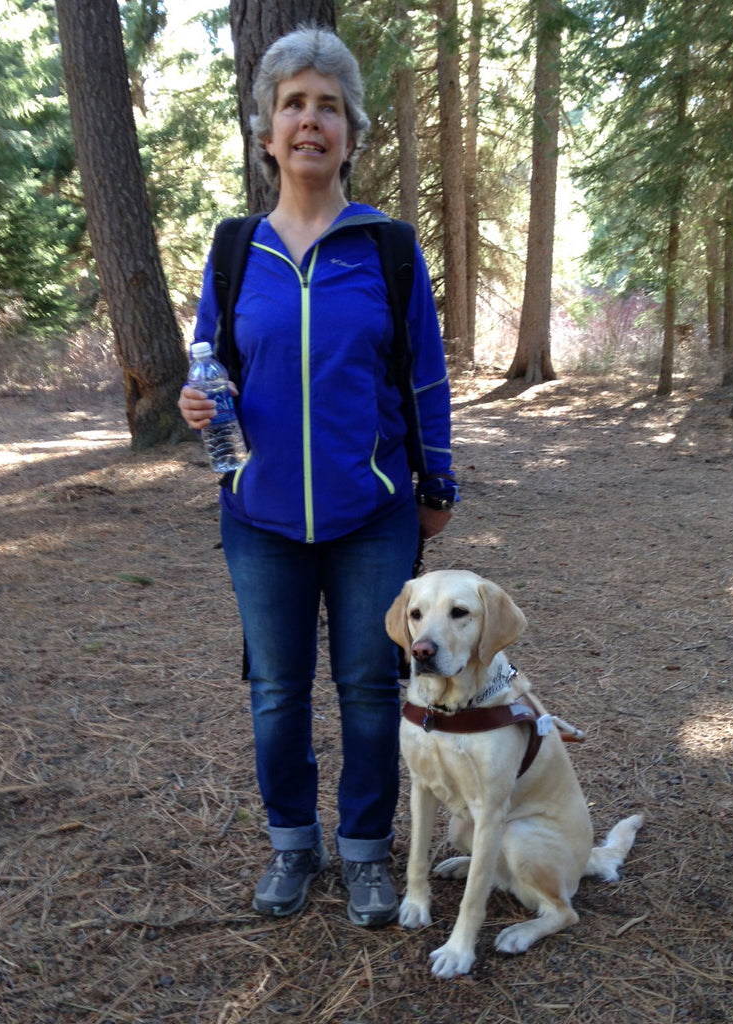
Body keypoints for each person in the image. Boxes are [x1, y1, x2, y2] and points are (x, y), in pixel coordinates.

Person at [178, 26, 457, 928]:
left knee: (374, 689)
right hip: (258, 518)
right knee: (275, 690)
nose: (309, 121)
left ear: (349, 131)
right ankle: (292, 846)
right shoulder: (231, 254)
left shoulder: (387, 247)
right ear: (267, 132)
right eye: (293, 104)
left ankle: (368, 854)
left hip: (371, 512)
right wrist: (195, 404)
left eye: (327, 106)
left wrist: (436, 482)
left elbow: (423, 376)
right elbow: (207, 365)